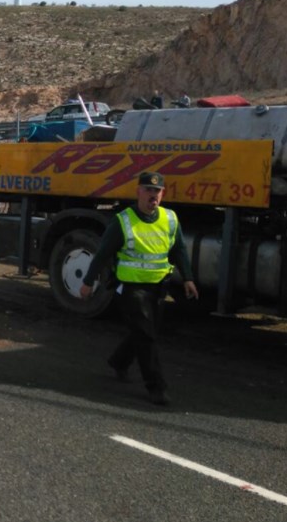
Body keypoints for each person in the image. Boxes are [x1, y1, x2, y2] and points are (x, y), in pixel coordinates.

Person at [79, 171, 199, 406]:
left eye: (157, 191)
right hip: (131, 288)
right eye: (148, 190)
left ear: (162, 194)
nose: (153, 195)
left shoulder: (170, 219)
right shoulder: (123, 221)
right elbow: (103, 253)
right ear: (138, 192)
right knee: (146, 335)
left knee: (146, 331)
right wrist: (88, 282)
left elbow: (179, 249)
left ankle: (119, 361)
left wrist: (188, 278)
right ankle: (156, 387)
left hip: (158, 287)